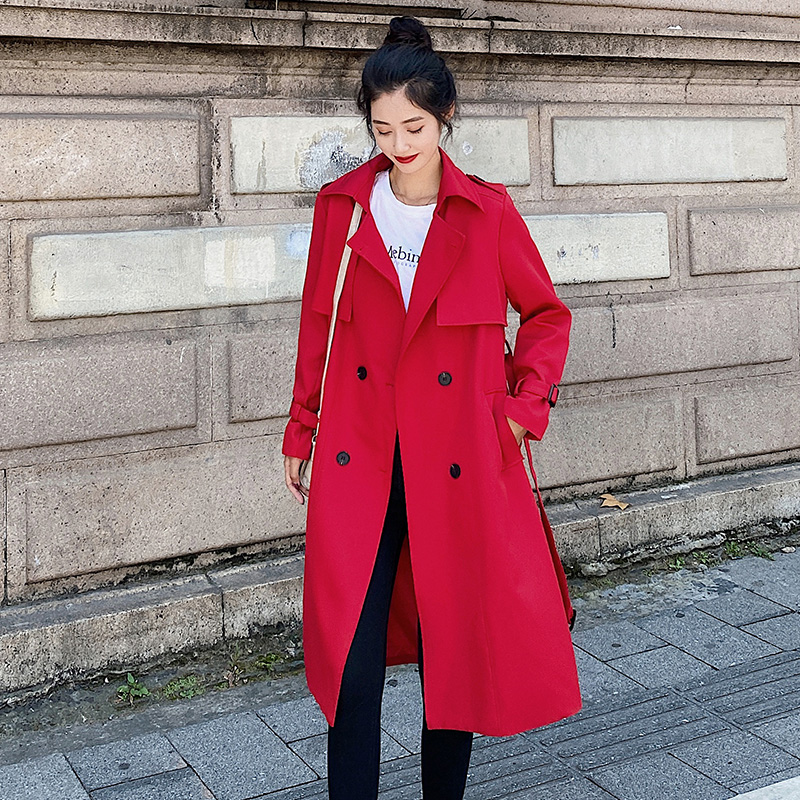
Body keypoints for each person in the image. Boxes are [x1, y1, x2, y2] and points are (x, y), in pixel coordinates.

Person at [282, 15, 581, 800]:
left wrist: (522, 410)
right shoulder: (342, 208)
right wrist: (302, 427)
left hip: (460, 459)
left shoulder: (486, 212)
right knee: (351, 662)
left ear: (444, 116)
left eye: (413, 127)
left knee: (455, 660)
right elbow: (317, 323)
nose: (398, 144)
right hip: (362, 456)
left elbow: (546, 316)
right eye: (382, 129)